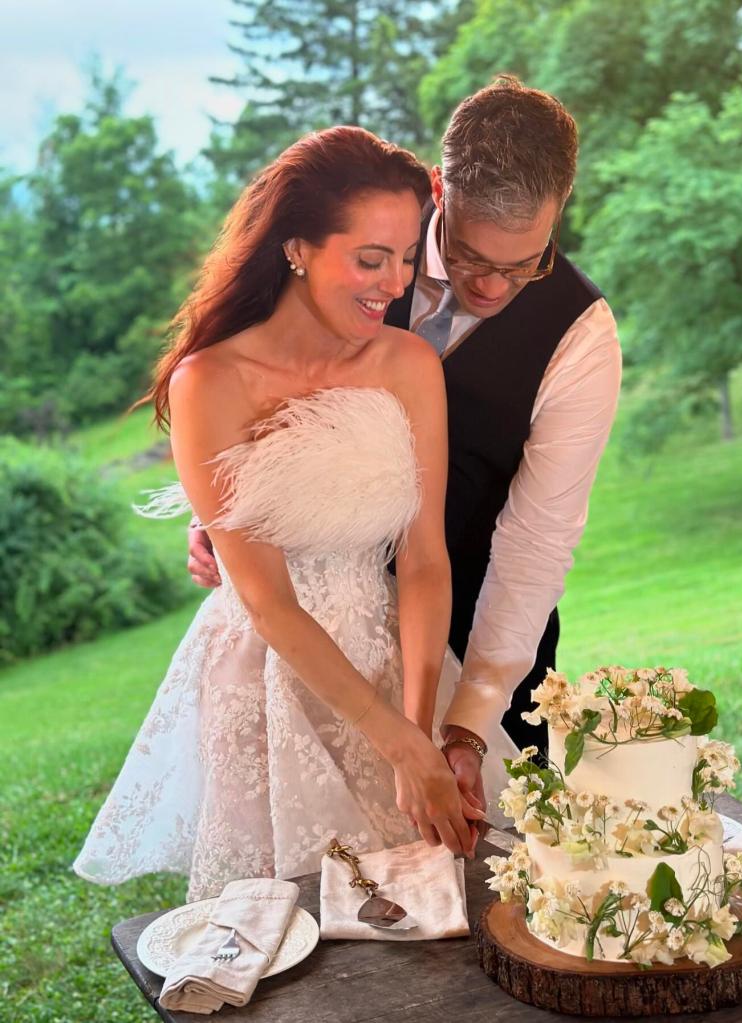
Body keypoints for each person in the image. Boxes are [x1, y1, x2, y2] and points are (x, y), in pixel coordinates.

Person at [73, 126, 517, 902]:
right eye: (370, 258)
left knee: (440, 896)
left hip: (393, 653)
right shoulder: (209, 381)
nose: (394, 281)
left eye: (408, 257)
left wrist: (414, 734)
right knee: (299, 920)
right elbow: (266, 599)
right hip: (268, 673)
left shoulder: (407, 364)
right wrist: (396, 745)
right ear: (297, 248)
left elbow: (421, 560)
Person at [188, 77, 622, 817]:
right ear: (436, 192)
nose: (492, 286)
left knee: (484, 869)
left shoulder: (580, 337)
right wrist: (226, 519)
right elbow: (253, 400)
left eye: (525, 264)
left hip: (473, 623)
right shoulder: (356, 241)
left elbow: (536, 543)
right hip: (308, 633)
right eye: (471, 255)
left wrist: (464, 723)